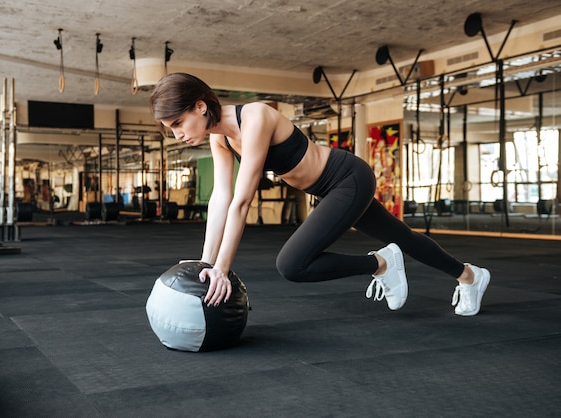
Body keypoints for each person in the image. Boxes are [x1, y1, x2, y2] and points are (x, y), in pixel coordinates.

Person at [150, 72, 490, 316]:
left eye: (178, 123)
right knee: (403, 236)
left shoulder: (254, 118)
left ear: (199, 106)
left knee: (292, 264)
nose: (177, 134)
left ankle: (381, 263)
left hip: (347, 177)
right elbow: (221, 199)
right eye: (171, 129)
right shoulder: (219, 138)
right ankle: (469, 276)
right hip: (327, 190)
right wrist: (206, 263)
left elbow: (242, 200)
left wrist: (222, 268)